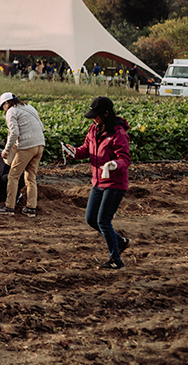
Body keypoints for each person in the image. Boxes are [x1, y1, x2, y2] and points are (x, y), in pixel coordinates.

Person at [64, 96, 132, 270]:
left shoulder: (118, 133)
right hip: (98, 182)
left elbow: (124, 159)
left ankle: (116, 260)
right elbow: (86, 148)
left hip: (114, 184)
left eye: (96, 115)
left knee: (103, 220)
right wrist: (75, 152)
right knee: (91, 219)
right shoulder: (94, 129)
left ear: (106, 114)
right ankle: (120, 242)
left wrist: (114, 164)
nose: (93, 118)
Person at [0, 92, 45, 217]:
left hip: (27, 146)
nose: (3, 110)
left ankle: (9, 207)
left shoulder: (12, 111)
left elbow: (14, 132)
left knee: (13, 176)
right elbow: (41, 126)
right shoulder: (29, 107)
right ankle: (31, 208)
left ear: (7, 103)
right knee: (31, 177)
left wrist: (6, 150)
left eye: (3, 107)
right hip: (40, 145)